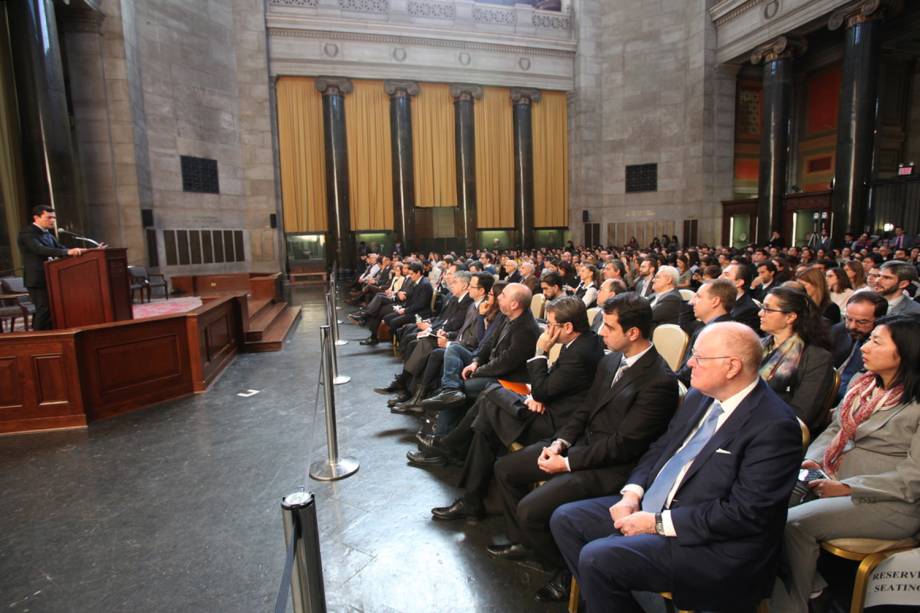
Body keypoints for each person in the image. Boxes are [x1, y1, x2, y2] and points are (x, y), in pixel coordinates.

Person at [550, 322, 802, 613]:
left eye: (699, 357)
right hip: (657, 506)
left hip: (711, 542)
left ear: (732, 367)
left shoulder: (773, 426)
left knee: (598, 558)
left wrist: (657, 523)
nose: (689, 363)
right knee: (567, 520)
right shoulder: (701, 396)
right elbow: (662, 449)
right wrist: (632, 493)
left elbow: (746, 514)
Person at [491, 293, 679, 602]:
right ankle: (528, 543)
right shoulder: (611, 359)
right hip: (581, 448)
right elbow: (584, 411)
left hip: (612, 468)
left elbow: (624, 445)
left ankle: (567, 570)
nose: (601, 332)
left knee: (531, 510)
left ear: (632, 333)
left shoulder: (659, 381)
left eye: (608, 326)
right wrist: (559, 442)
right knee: (506, 468)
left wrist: (566, 463)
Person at [770, 316, 920, 613]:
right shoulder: (862, 384)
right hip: (833, 476)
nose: (864, 347)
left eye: (877, 341)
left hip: (888, 499)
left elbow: (913, 477)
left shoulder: (914, 406)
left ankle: (795, 604)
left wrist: (848, 487)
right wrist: (814, 458)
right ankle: (812, 590)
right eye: (869, 338)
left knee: (792, 524)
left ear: (906, 351)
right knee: (763, 504)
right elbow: (834, 430)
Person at [428, 297, 605, 519]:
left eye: (550, 325)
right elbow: (551, 385)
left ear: (568, 327)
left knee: (489, 398)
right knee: (487, 410)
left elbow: (545, 389)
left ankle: (451, 450)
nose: (547, 330)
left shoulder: (580, 352)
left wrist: (540, 352)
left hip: (556, 422)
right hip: (548, 406)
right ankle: (467, 490)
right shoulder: (585, 342)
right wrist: (540, 393)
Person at [758, 286, 836, 435]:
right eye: (762, 307)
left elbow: (803, 413)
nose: (760, 313)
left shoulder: (816, 357)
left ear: (790, 317)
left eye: (768, 309)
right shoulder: (758, 345)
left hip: (776, 430)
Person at [17, 205, 92, 330]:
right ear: (36, 217)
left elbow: (60, 249)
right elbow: (39, 249)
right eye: (49, 217)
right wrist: (67, 252)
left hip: (51, 277)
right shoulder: (27, 233)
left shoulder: (47, 234)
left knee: (52, 309)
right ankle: (39, 339)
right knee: (44, 309)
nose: (52, 220)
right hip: (37, 278)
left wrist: (85, 252)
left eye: (54, 218)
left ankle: (48, 335)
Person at [675, 278, 735, 387]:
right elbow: (685, 323)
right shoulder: (707, 325)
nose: (693, 301)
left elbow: (687, 375)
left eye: (698, 296)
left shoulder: (717, 333)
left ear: (715, 301)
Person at [828, 291, 888, 402]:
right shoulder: (836, 331)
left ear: (879, 319)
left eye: (861, 322)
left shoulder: (886, 346)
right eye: (848, 319)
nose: (852, 326)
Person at [722, 262, 762, 335]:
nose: (720, 278)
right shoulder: (719, 300)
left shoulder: (749, 310)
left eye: (726, 275)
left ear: (738, 283)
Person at [648, 265, 682, 330]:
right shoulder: (653, 295)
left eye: (657, 277)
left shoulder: (672, 298)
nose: (653, 280)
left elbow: (646, 316)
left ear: (669, 280)